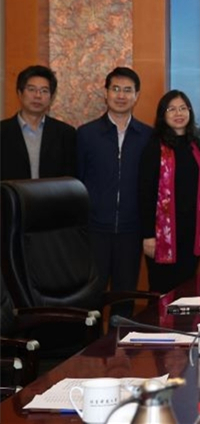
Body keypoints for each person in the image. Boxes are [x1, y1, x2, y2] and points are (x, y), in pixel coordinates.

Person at [77, 67, 152, 313]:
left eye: (127, 90)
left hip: (131, 231)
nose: (121, 95)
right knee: (91, 298)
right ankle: (91, 340)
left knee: (124, 297)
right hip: (94, 230)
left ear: (136, 95)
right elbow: (77, 181)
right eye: (116, 89)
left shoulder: (147, 136)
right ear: (106, 93)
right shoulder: (86, 134)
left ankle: (121, 339)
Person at [138, 90, 200, 294]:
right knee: (162, 289)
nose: (178, 113)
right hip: (163, 234)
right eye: (171, 109)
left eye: (182, 108)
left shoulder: (197, 145)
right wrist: (148, 235)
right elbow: (145, 193)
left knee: (187, 289)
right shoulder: (154, 146)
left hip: (191, 231)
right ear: (163, 115)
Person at [1, 65, 76, 180]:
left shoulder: (66, 134)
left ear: (51, 97)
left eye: (44, 91)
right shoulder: (3, 131)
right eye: (31, 89)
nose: (37, 96)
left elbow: (70, 180)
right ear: (19, 93)